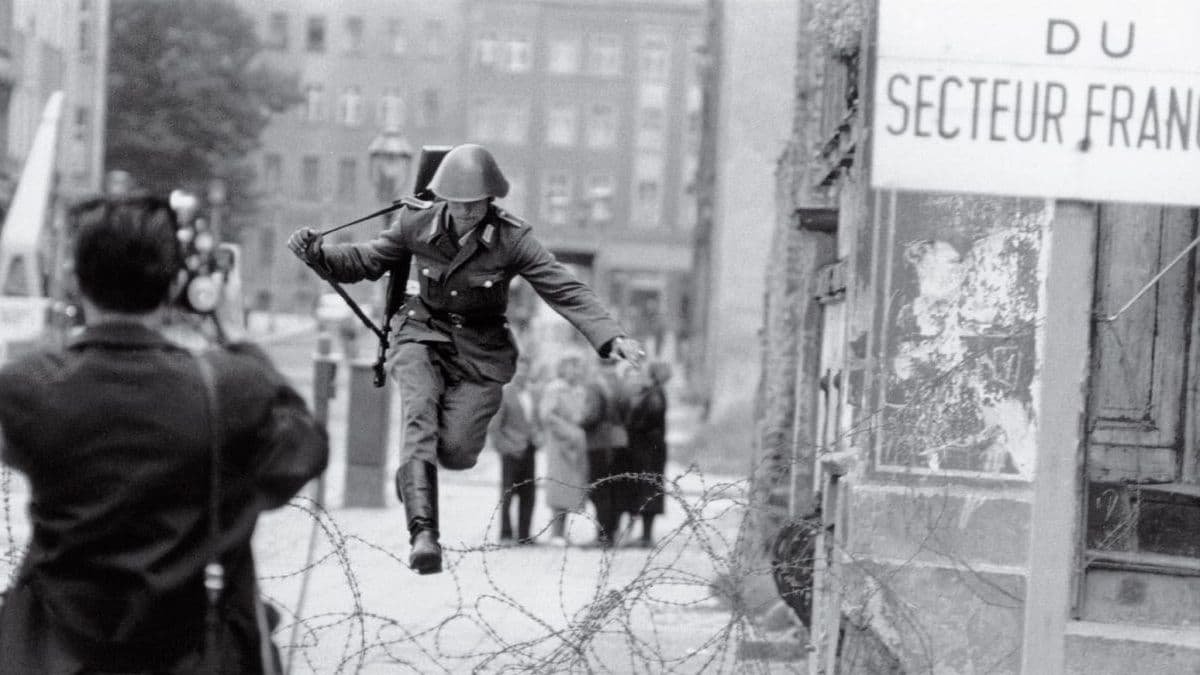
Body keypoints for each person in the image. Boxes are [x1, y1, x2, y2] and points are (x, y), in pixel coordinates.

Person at [0, 195, 329, 673]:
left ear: (75, 278)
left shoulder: (30, 387)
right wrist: (235, 334)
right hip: (192, 652)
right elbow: (305, 451)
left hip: (60, 654)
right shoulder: (227, 388)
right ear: (176, 284)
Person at [287, 143, 644, 574]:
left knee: (456, 452)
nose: (469, 213)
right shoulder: (416, 222)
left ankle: (414, 474)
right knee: (418, 410)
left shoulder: (512, 238)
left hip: (481, 352)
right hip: (421, 333)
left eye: (477, 205)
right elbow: (367, 260)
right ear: (445, 200)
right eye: (460, 205)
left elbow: (562, 287)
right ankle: (423, 534)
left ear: (491, 200)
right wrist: (319, 254)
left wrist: (611, 336)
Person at [486, 356, 539, 545]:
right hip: (511, 452)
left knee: (529, 494)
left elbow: (535, 420)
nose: (523, 373)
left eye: (526, 369)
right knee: (508, 494)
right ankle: (506, 534)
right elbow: (494, 427)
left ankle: (525, 534)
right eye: (519, 369)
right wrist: (505, 448)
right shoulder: (504, 393)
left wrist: (537, 438)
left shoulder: (532, 393)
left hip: (530, 449)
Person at [580, 357, 631, 547]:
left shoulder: (595, 385)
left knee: (599, 489)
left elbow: (591, 415)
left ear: (598, 364)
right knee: (615, 489)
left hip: (599, 442)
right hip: (620, 439)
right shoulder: (621, 384)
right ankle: (613, 532)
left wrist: (579, 422)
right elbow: (628, 412)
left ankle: (602, 535)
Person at [539, 354, 589, 547]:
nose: (576, 371)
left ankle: (563, 532)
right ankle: (556, 532)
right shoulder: (555, 389)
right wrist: (569, 431)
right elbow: (547, 415)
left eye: (578, 367)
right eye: (572, 367)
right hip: (560, 443)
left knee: (569, 488)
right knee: (558, 486)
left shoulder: (576, 390)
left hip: (574, 444)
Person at [626, 362, 672, 547]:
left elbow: (647, 419)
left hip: (648, 449)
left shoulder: (654, 394)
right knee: (647, 489)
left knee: (648, 489)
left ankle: (646, 535)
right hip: (650, 448)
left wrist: (632, 425)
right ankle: (644, 534)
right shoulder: (655, 392)